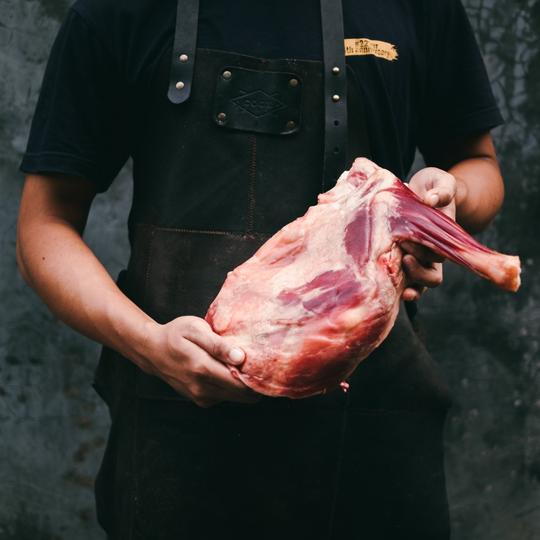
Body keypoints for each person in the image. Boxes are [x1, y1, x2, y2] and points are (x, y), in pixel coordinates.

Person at [16, 0, 504, 538]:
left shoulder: (418, 10)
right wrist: (150, 346)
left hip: (372, 435)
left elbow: (479, 167)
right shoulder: (119, 12)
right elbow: (45, 228)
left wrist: (446, 197)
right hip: (178, 439)